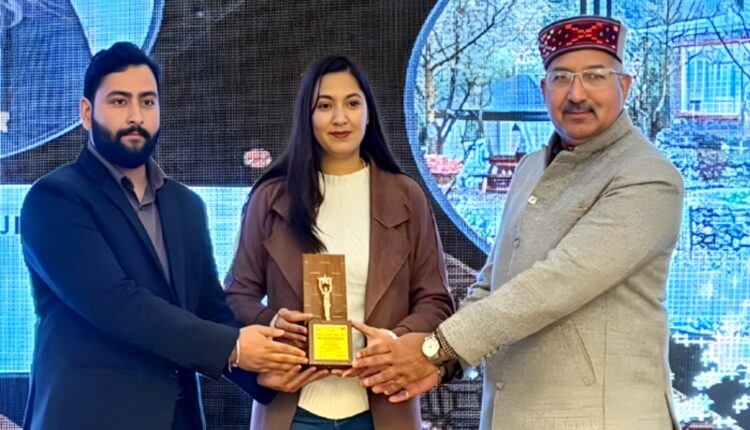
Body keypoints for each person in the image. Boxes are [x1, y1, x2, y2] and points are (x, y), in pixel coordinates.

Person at [353, 15, 684, 430]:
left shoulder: (648, 176)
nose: (576, 94)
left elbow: (554, 284)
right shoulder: (531, 168)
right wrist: (443, 362)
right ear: (544, 90)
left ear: (626, 86)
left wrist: (434, 348)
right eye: (561, 78)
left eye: (595, 76)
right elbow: (493, 284)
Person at [20, 42, 307, 430]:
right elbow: (117, 304)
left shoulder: (185, 205)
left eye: (148, 101)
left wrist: (264, 368)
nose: (136, 116)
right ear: (86, 112)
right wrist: (235, 348)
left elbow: (207, 308)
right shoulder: (55, 198)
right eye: (119, 101)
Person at [224, 56, 455, 430]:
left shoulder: (407, 197)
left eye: (352, 103)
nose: (340, 118)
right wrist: (273, 323)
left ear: (369, 113)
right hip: (291, 408)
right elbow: (236, 296)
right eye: (324, 106)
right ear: (307, 116)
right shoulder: (270, 198)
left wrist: (395, 341)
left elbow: (436, 300)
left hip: (382, 405)